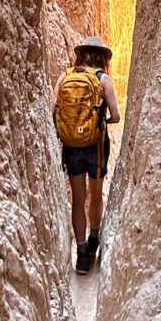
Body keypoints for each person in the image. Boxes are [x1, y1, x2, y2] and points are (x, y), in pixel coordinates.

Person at [53, 36, 121, 275]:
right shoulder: (103, 80)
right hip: (96, 146)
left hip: (72, 146)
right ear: (102, 58)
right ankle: (93, 240)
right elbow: (115, 116)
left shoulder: (64, 76)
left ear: (81, 55)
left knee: (78, 199)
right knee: (95, 194)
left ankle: (81, 255)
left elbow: (53, 109)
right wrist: (97, 120)